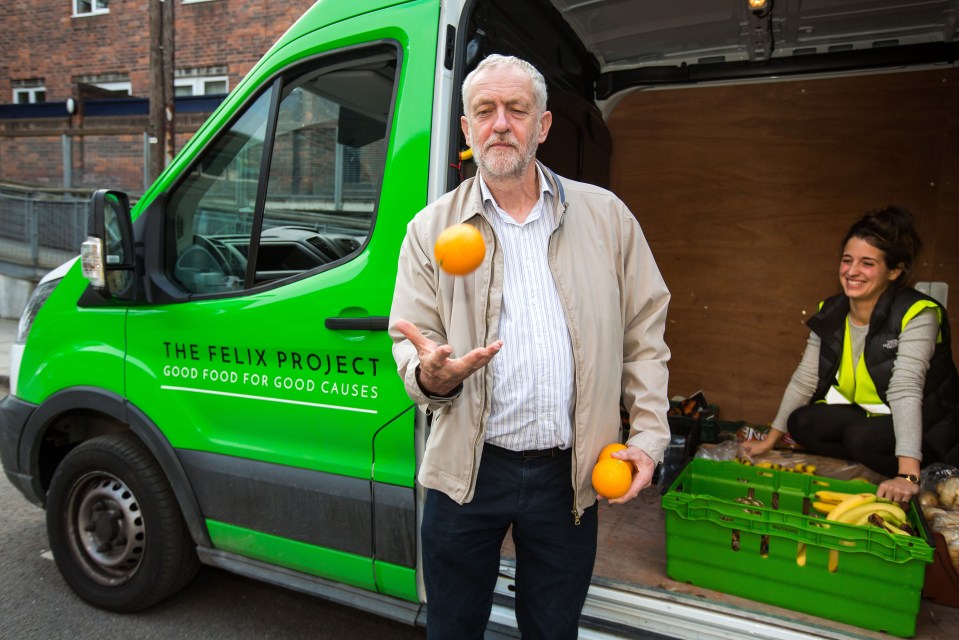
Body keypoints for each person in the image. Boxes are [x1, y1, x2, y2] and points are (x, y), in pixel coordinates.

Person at [388, 54, 671, 639]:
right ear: (465, 130)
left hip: (568, 476)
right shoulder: (430, 229)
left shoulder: (606, 217)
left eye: (516, 110)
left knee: (552, 629)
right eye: (484, 111)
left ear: (542, 126)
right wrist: (433, 374)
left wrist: (646, 436)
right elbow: (411, 340)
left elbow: (645, 331)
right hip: (467, 471)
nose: (500, 124)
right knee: (453, 627)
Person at [742, 206, 959, 502]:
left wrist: (907, 473)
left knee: (861, 438)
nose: (852, 271)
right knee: (802, 423)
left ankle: (916, 478)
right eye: (847, 260)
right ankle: (868, 470)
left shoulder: (918, 313)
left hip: (929, 426)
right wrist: (769, 440)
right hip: (877, 420)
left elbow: (906, 388)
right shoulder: (832, 311)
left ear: (894, 271)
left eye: (867, 263)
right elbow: (806, 378)